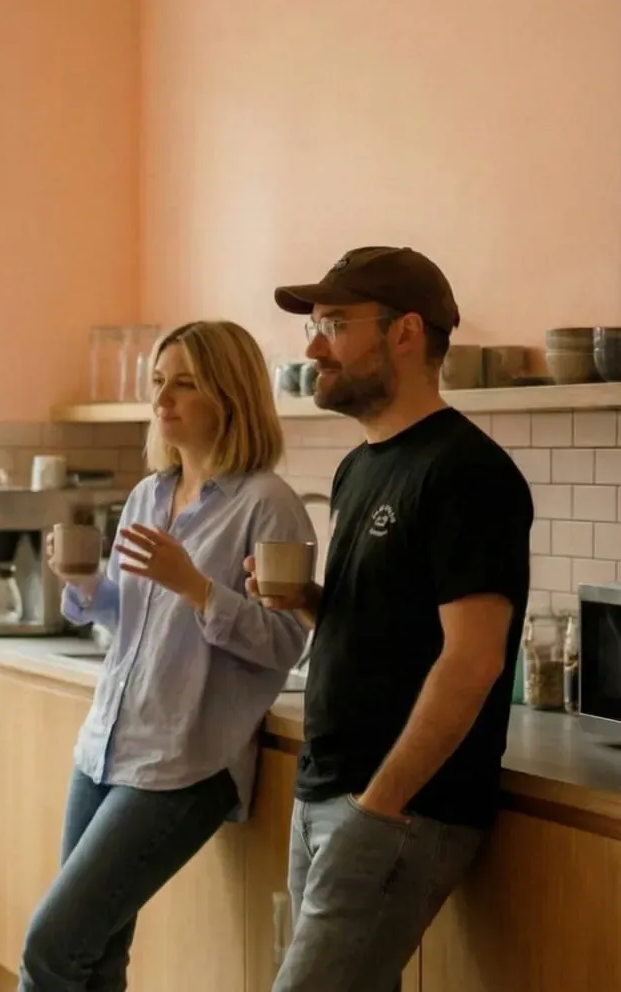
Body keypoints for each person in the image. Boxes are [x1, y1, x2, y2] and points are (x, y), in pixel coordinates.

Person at [259, 247, 531, 992]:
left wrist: (378, 807)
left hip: (398, 808)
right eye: (314, 326)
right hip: (330, 790)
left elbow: (473, 659)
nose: (314, 349)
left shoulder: (467, 472)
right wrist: (309, 602)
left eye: (335, 325)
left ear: (406, 333)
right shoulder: (361, 465)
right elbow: (390, 631)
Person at [19, 320, 314, 992]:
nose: (162, 400)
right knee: (94, 956)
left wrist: (198, 588)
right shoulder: (148, 495)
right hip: (105, 747)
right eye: (158, 382)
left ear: (230, 395)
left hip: (184, 765)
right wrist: (87, 588)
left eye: (184, 384)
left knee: (52, 947)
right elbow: (130, 623)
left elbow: (285, 641)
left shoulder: (267, 506)